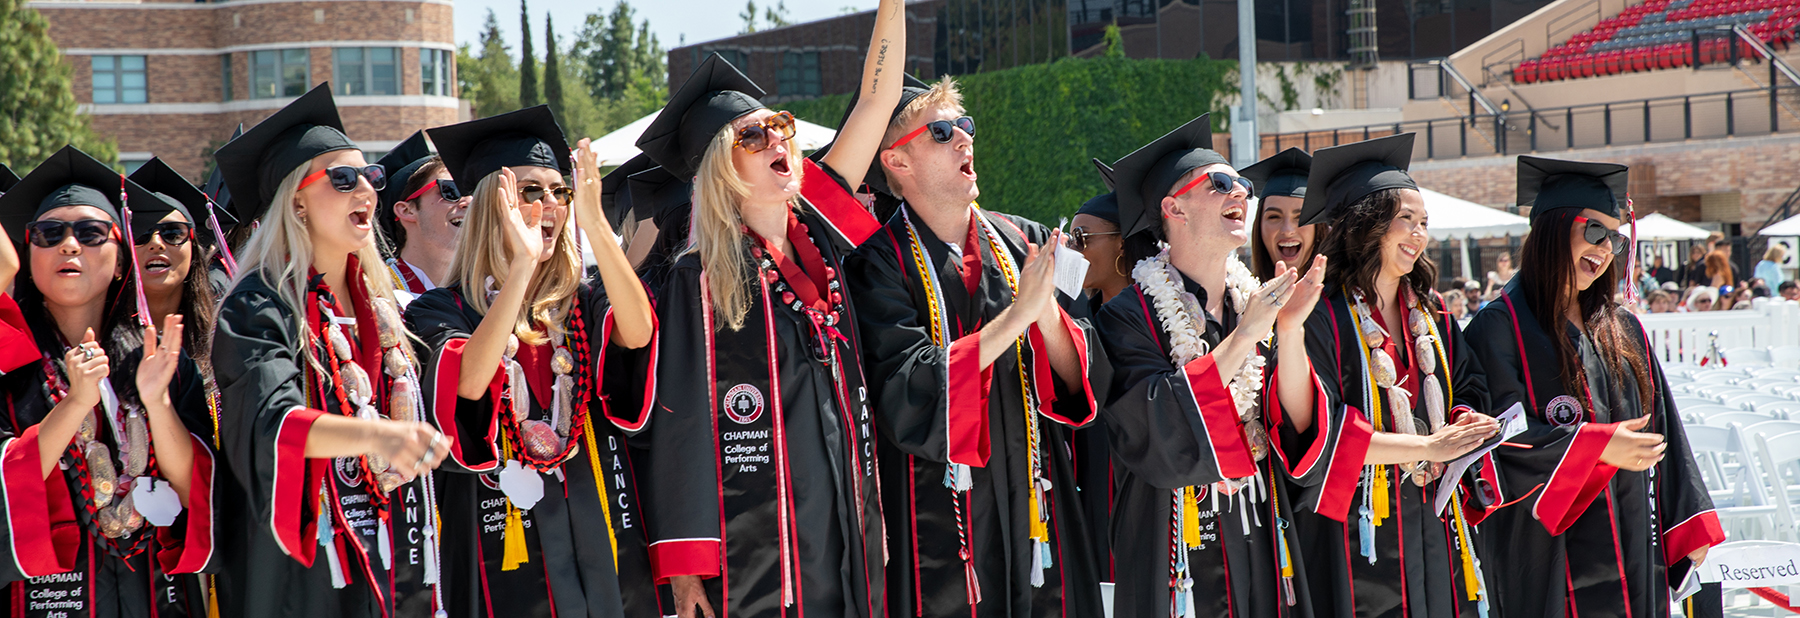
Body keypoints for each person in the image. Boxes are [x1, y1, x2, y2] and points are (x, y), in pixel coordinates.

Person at [637, 40, 899, 616]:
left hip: (841, 503)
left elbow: (877, 102)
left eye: (778, 124)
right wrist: (686, 571)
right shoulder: (700, 277)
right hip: (761, 534)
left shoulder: (821, 234)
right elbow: (683, 421)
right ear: (722, 171)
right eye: (752, 137)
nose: (776, 138)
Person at [843, 77, 1106, 617]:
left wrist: (1045, 313)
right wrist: (1017, 317)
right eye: (942, 132)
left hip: (1037, 501)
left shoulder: (1023, 240)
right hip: (936, 512)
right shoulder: (872, 267)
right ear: (897, 162)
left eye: (966, 126)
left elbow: (1084, 380)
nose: (965, 139)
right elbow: (907, 389)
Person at [404, 106, 659, 618]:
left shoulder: (580, 301)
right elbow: (468, 386)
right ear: (483, 208)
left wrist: (598, 228)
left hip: (604, 532)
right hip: (495, 541)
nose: (549, 203)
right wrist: (519, 266)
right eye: (529, 191)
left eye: (558, 192)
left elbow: (638, 332)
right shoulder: (439, 310)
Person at [209, 84, 452, 617]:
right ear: (296, 199)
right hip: (308, 567)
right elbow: (271, 424)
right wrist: (380, 435)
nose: (365, 189)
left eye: (373, 177)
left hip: (398, 555)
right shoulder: (259, 304)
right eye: (343, 179)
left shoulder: (383, 307)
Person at [1465, 155, 1723, 617]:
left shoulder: (1621, 327)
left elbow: (1664, 430)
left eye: (1615, 237)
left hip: (1631, 538)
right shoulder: (1497, 327)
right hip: (1544, 548)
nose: (1606, 249)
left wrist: (1685, 526)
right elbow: (1491, 444)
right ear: (1551, 227)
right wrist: (1598, 447)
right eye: (1595, 231)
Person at [1093, 115, 1329, 618]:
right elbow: (1151, 423)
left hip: (1260, 527)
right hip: (1174, 532)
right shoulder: (1127, 315)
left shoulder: (1255, 303)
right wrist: (1247, 335)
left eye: (1242, 183)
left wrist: (1287, 329)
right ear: (1173, 208)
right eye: (1220, 184)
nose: (1239, 193)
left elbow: (1296, 425)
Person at [1279, 134, 1501, 618]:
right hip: (1358, 527)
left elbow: (1468, 386)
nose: (1419, 235)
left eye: (1425, 224)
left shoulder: (1433, 312)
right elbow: (1318, 429)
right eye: (1407, 221)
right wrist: (1427, 448)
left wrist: (1464, 423)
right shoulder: (1322, 317)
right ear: (1367, 224)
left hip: (1433, 517)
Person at [0, 146, 221, 616]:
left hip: (157, 596)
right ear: (29, 252)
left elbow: (197, 490)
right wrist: (76, 403)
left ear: (122, 260)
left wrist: (158, 404)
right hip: (51, 597)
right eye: (49, 233)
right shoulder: (7, 360)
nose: (70, 245)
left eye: (91, 232)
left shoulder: (158, 359)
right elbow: (4, 485)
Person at [129, 158, 221, 372]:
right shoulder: (101, 341)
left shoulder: (224, 336)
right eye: (141, 234)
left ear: (194, 249)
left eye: (173, 232)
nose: (156, 243)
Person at [377, 131, 469, 299]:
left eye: (473, 191)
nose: (468, 201)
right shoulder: (376, 293)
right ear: (407, 210)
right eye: (451, 190)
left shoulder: (485, 294)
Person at [1242, 147, 1321, 281]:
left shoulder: (1348, 299)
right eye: (1274, 217)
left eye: (1300, 217)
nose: (1287, 230)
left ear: (1318, 227)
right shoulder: (1243, 299)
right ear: (1259, 226)